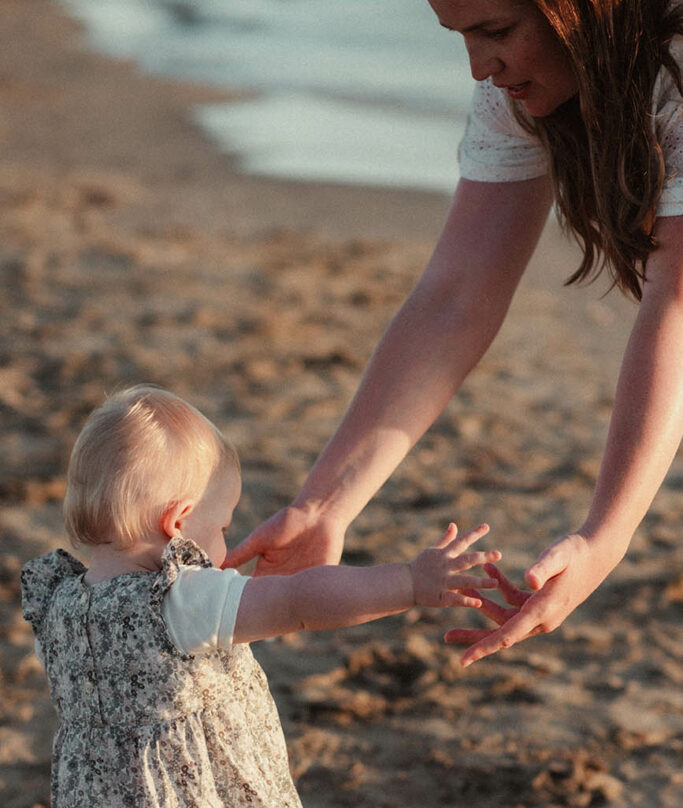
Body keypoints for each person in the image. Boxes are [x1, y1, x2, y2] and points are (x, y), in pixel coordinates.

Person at [20, 385, 500, 808]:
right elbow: (304, 600)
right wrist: (409, 583)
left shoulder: (58, 603)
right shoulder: (180, 600)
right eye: (220, 526)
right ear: (178, 522)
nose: (224, 543)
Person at [225, 0, 683, 668]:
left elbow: (674, 304)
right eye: (460, 35)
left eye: (496, 33)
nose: (478, 66)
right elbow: (455, 295)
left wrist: (603, 536)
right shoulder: (516, 89)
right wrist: (324, 503)